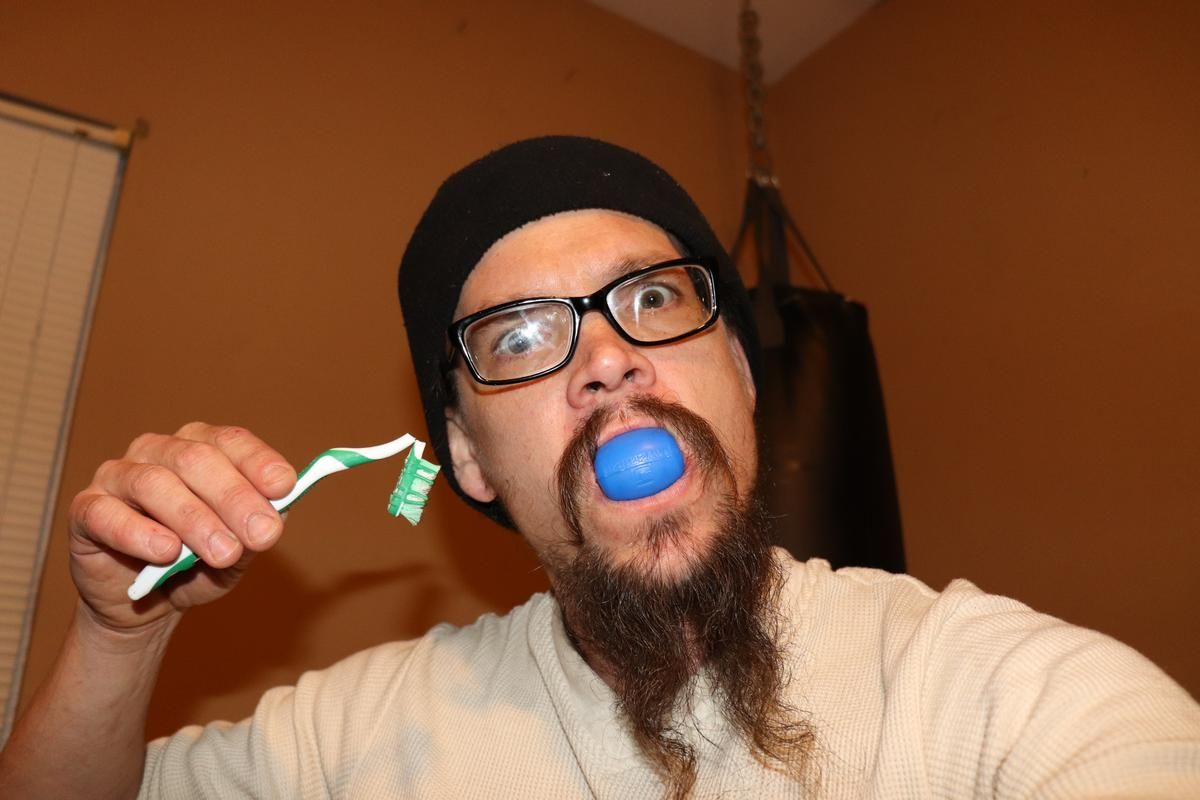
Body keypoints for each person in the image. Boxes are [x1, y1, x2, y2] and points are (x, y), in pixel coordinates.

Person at [2, 136, 1198, 799]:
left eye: (654, 298)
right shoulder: (353, 737)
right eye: (520, 335)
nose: (609, 359)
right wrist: (116, 635)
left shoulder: (980, 685)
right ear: (466, 455)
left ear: (741, 370)